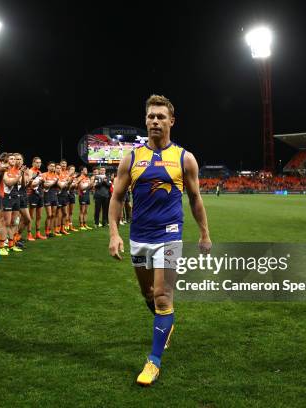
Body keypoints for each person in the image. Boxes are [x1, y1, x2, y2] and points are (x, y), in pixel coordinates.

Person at [108, 95, 211, 386]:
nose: (155, 121)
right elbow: (117, 197)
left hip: (170, 237)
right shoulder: (131, 157)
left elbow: (195, 198)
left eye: (161, 117)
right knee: (149, 295)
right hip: (139, 238)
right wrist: (114, 233)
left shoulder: (184, 158)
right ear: (146, 120)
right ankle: (165, 322)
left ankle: (153, 362)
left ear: (171, 121)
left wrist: (204, 232)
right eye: (151, 116)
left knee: (164, 296)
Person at [27, 156, 46, 240]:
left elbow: (41, 185)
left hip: (40, 195)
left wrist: (43, 182)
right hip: (32, 195)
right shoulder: (30, 171)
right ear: (33, 163)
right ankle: (29, 234)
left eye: (40, 162)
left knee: (39, 216)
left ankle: (38, 233)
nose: (39, 164)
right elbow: (31, 185)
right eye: (37, 162)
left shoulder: (39, 172)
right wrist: (40, 181)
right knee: (31, 216)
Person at [42, 162, 59, 237]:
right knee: (49, 215)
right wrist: (55, 182)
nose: (52, 167)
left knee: (53, 215)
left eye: (54, 166)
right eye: (51, 166)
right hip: (47, 196)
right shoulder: (44, 174)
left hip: (54, 196)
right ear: (48, 167)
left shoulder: (56, 175)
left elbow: (60, 186)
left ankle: (50, 231)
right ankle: (46, 231)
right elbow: (45, 185)